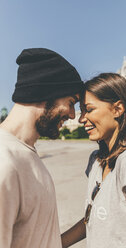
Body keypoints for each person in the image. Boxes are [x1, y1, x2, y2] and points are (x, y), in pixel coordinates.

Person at [61, 73, 126, 248]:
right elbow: (95, 219)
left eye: (89, 109)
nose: (81, 118)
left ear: (118, 109)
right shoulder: (96, 160)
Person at [0, 48, 84, 248]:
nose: (73, 115)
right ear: (46, 92)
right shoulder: (5, 160)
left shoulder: (26, 152)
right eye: (71, 103)